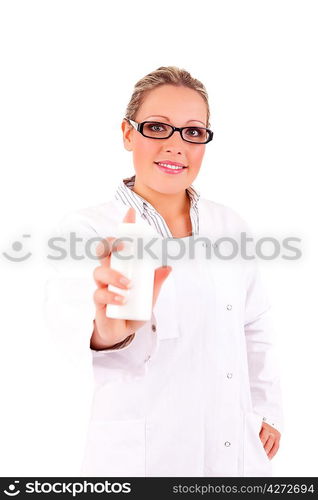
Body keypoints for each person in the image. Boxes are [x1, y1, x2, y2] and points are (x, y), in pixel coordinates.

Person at [45, 66, 284, 477]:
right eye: (157, 127)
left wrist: (265, 407)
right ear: (127, 134)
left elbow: (253, 323)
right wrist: (109, 335)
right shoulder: (89, 229)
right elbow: (69, 330)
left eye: (193, 132)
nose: (176, 146)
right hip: (141, 460)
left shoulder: (231, 226)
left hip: (232, 444)